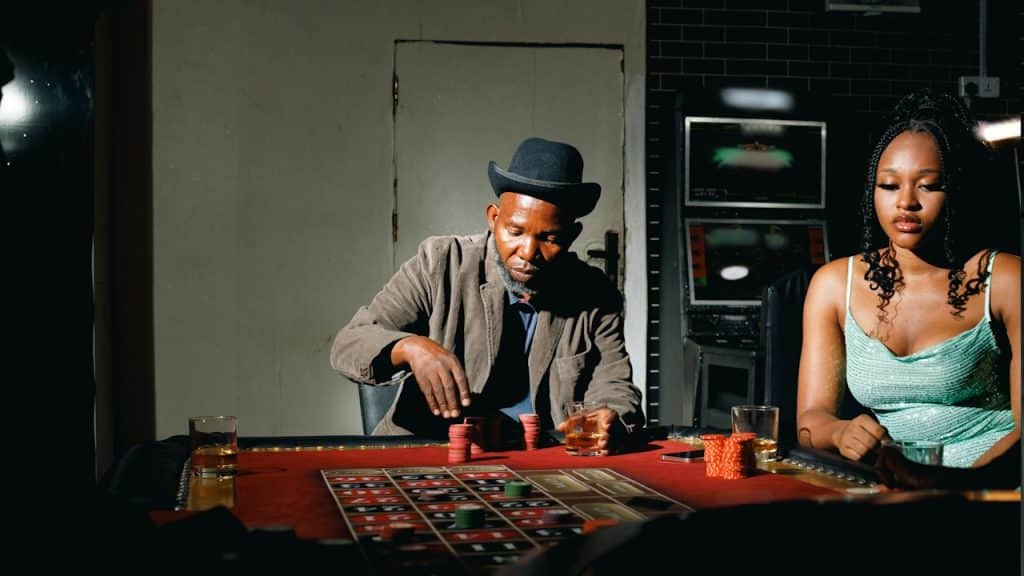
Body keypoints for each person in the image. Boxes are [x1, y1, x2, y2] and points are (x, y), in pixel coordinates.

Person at [331, 137, 644, 452]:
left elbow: (614, 384)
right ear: (494, 218)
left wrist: (610, 416)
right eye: (515, 232)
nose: (528, 252)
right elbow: (349, 344)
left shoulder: (594, 293)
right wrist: (410, 347)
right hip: (432, 451)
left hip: (540, 458)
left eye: (550, 238)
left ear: (572, 236)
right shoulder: (440, 263)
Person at [797, 90, 1020, 468]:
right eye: (889, 185)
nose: (906, 202)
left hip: (990, 487)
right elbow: (810, 420)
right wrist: (839, 432)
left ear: (957, 188)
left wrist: (957, 486)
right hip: (894, 485)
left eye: (929, 185)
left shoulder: (1004, 279)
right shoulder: (833, 285)